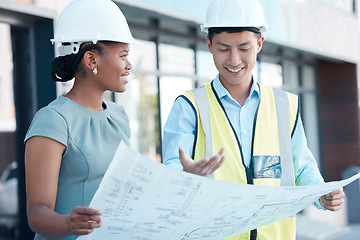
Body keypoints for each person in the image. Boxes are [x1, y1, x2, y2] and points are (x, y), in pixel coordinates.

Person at [162, 0, 345, 239]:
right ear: (209, 44)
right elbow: (170, 175)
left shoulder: (285, 105)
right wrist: (186, 179)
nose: (234, 60)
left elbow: (301, 166)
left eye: (244, 48)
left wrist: (321, 193)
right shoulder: (188, 107)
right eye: (223, 48)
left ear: (259, 43)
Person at [24, 0, 139, 239]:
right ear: (91, 60)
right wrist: (69, 224)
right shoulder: (53, 120)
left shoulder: (119, 116)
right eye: (123, 55)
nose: (129, 65)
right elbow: (36, 214)